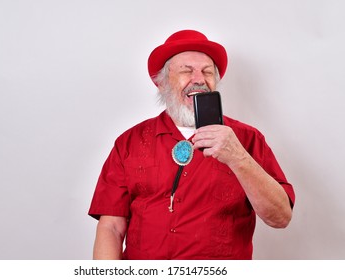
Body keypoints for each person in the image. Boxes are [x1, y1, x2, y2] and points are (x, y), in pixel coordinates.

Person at [88, 29, 295, 260]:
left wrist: (238, 157)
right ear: (162, 83)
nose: (199, 79)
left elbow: (280, 217)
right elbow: (111, 228)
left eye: (207, 72)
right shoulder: (129, 142)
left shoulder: (247, 139)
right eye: (186, 71)